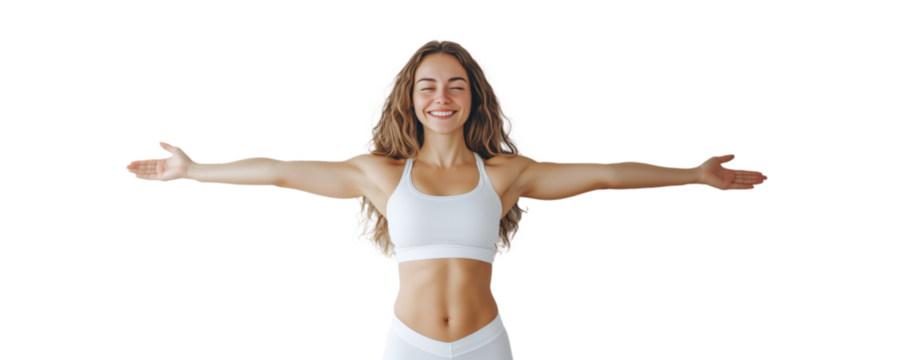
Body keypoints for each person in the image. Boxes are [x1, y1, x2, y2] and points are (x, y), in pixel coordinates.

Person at [124, 37, 768, 359]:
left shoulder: (506, 174)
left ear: (472, 99)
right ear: (411, 98)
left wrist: (692, 174)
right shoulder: (377, 172)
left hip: (486, 343)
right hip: (408, 345)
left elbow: (603, 174)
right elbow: (279, 173)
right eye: (428, 85)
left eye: (455, 86)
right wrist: (195, 171)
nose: (441, 97)